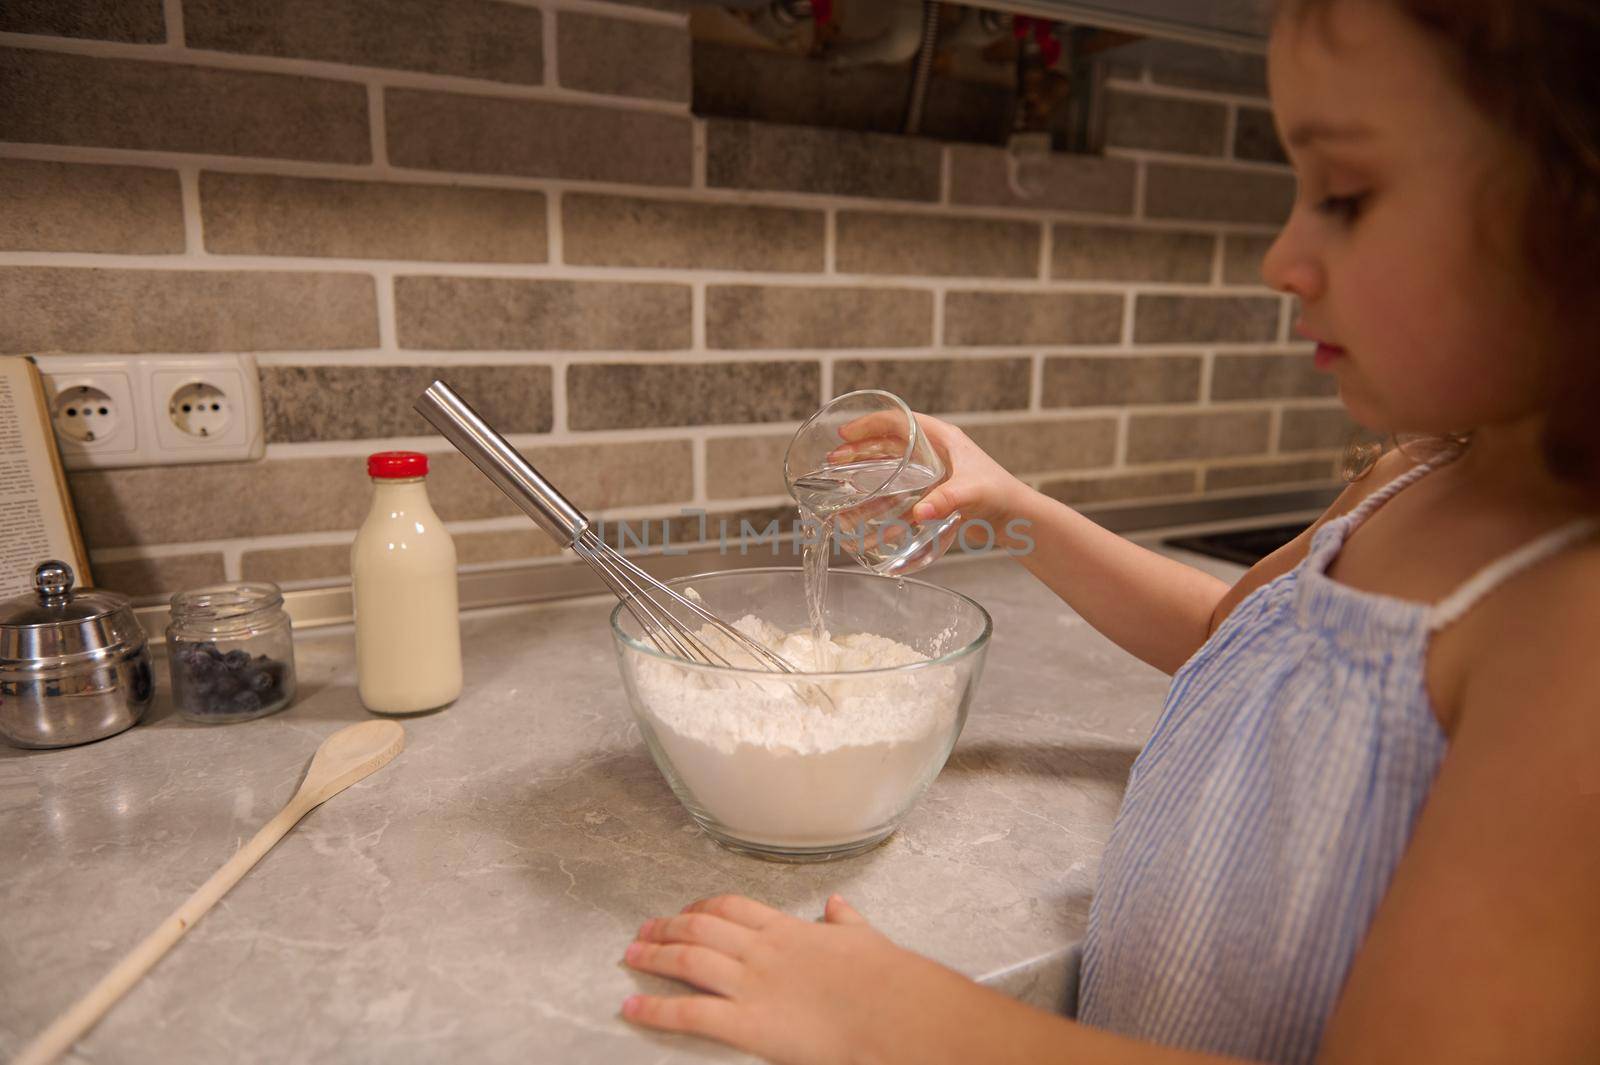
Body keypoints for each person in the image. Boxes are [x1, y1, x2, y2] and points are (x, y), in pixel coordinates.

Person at [618, 0, 1600, 1060]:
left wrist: (908, 1023)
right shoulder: (1416, 477)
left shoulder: (1566, 636)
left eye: (1347, 197)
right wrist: (1014, 509)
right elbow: (1237, 629)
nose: (1282, 256)